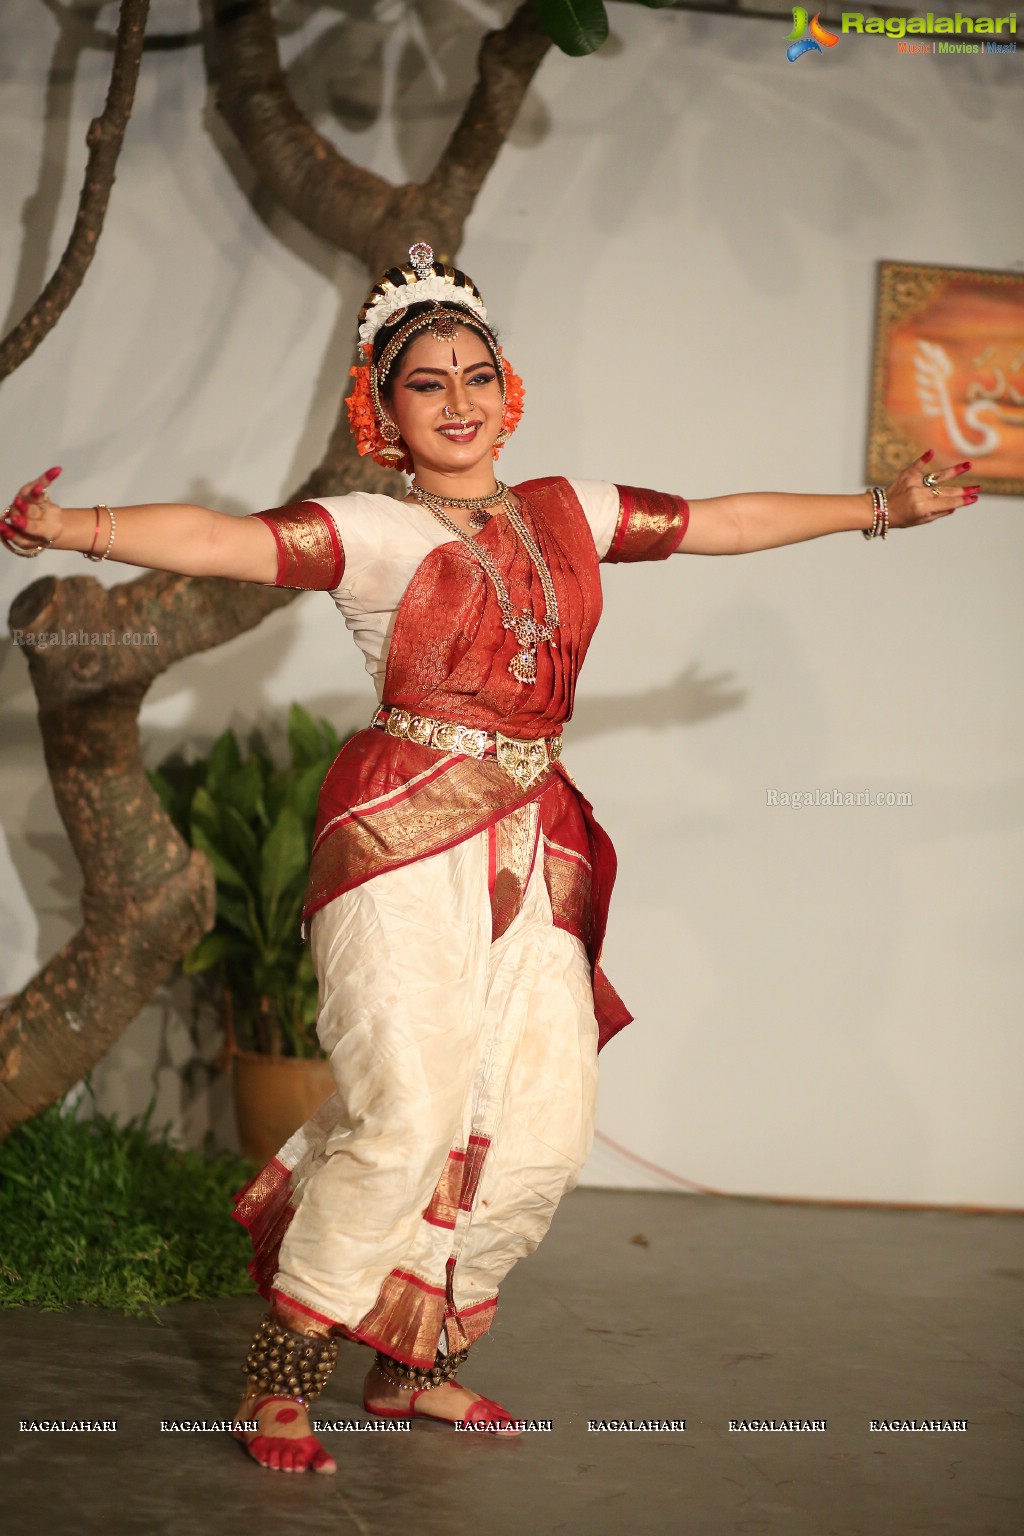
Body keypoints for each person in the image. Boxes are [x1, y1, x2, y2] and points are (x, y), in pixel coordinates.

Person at [3, 243, 979, 1474]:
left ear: (505, 389)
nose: (458, 399)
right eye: (427, 383)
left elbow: (724, 520)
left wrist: (883, 508)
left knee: (538, 1121)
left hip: (537, 832)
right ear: (384, 409)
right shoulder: (366, 528)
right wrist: (67, 528)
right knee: (408, 1112)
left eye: (477, 373)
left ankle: (417, 1367)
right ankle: (282, 1376)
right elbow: (212, 535)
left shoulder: (569, 512)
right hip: (401, 826)